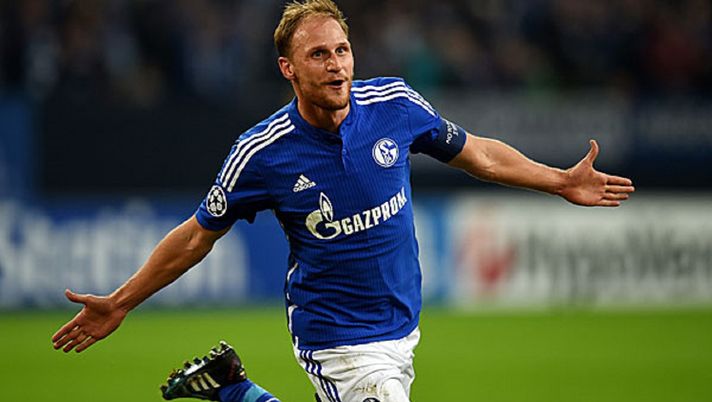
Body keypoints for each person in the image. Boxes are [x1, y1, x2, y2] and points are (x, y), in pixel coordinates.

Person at [51, 1, 635, 401]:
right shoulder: (263, 152)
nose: (336, 66)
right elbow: (196, 236)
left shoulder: (395, 105)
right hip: (337, 338)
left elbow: (478, 153)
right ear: (288, 68)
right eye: (319, 55)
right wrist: (122, 301)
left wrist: (559, 181)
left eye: (343, 50)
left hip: (401, 325)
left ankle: (235, 389)